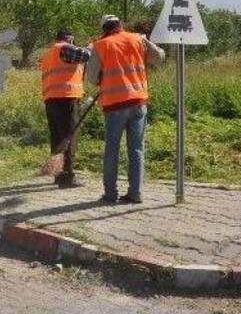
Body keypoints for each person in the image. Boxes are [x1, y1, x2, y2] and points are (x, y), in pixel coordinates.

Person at [86, 15, 165, 204]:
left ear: (104, 28)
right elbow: (159, 57)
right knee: (137, 149)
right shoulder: (137, 38)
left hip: (114, 105)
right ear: (121, 25)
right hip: (138, 102)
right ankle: (135, 193)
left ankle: (110, 194)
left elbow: (91, 77)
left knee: (112, 150)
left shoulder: (100, 45)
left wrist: (102, 78)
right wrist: (145, 40)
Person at [40, 28, 90, 188]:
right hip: (65, 99)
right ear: (70, 39)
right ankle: (67, 176)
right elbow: (85, 55)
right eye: (73, 41)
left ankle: (58, 174)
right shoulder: (64, 48)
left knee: (58, 139)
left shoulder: (49, 53)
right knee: (69, 137)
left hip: (51, 100)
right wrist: (91, 46)